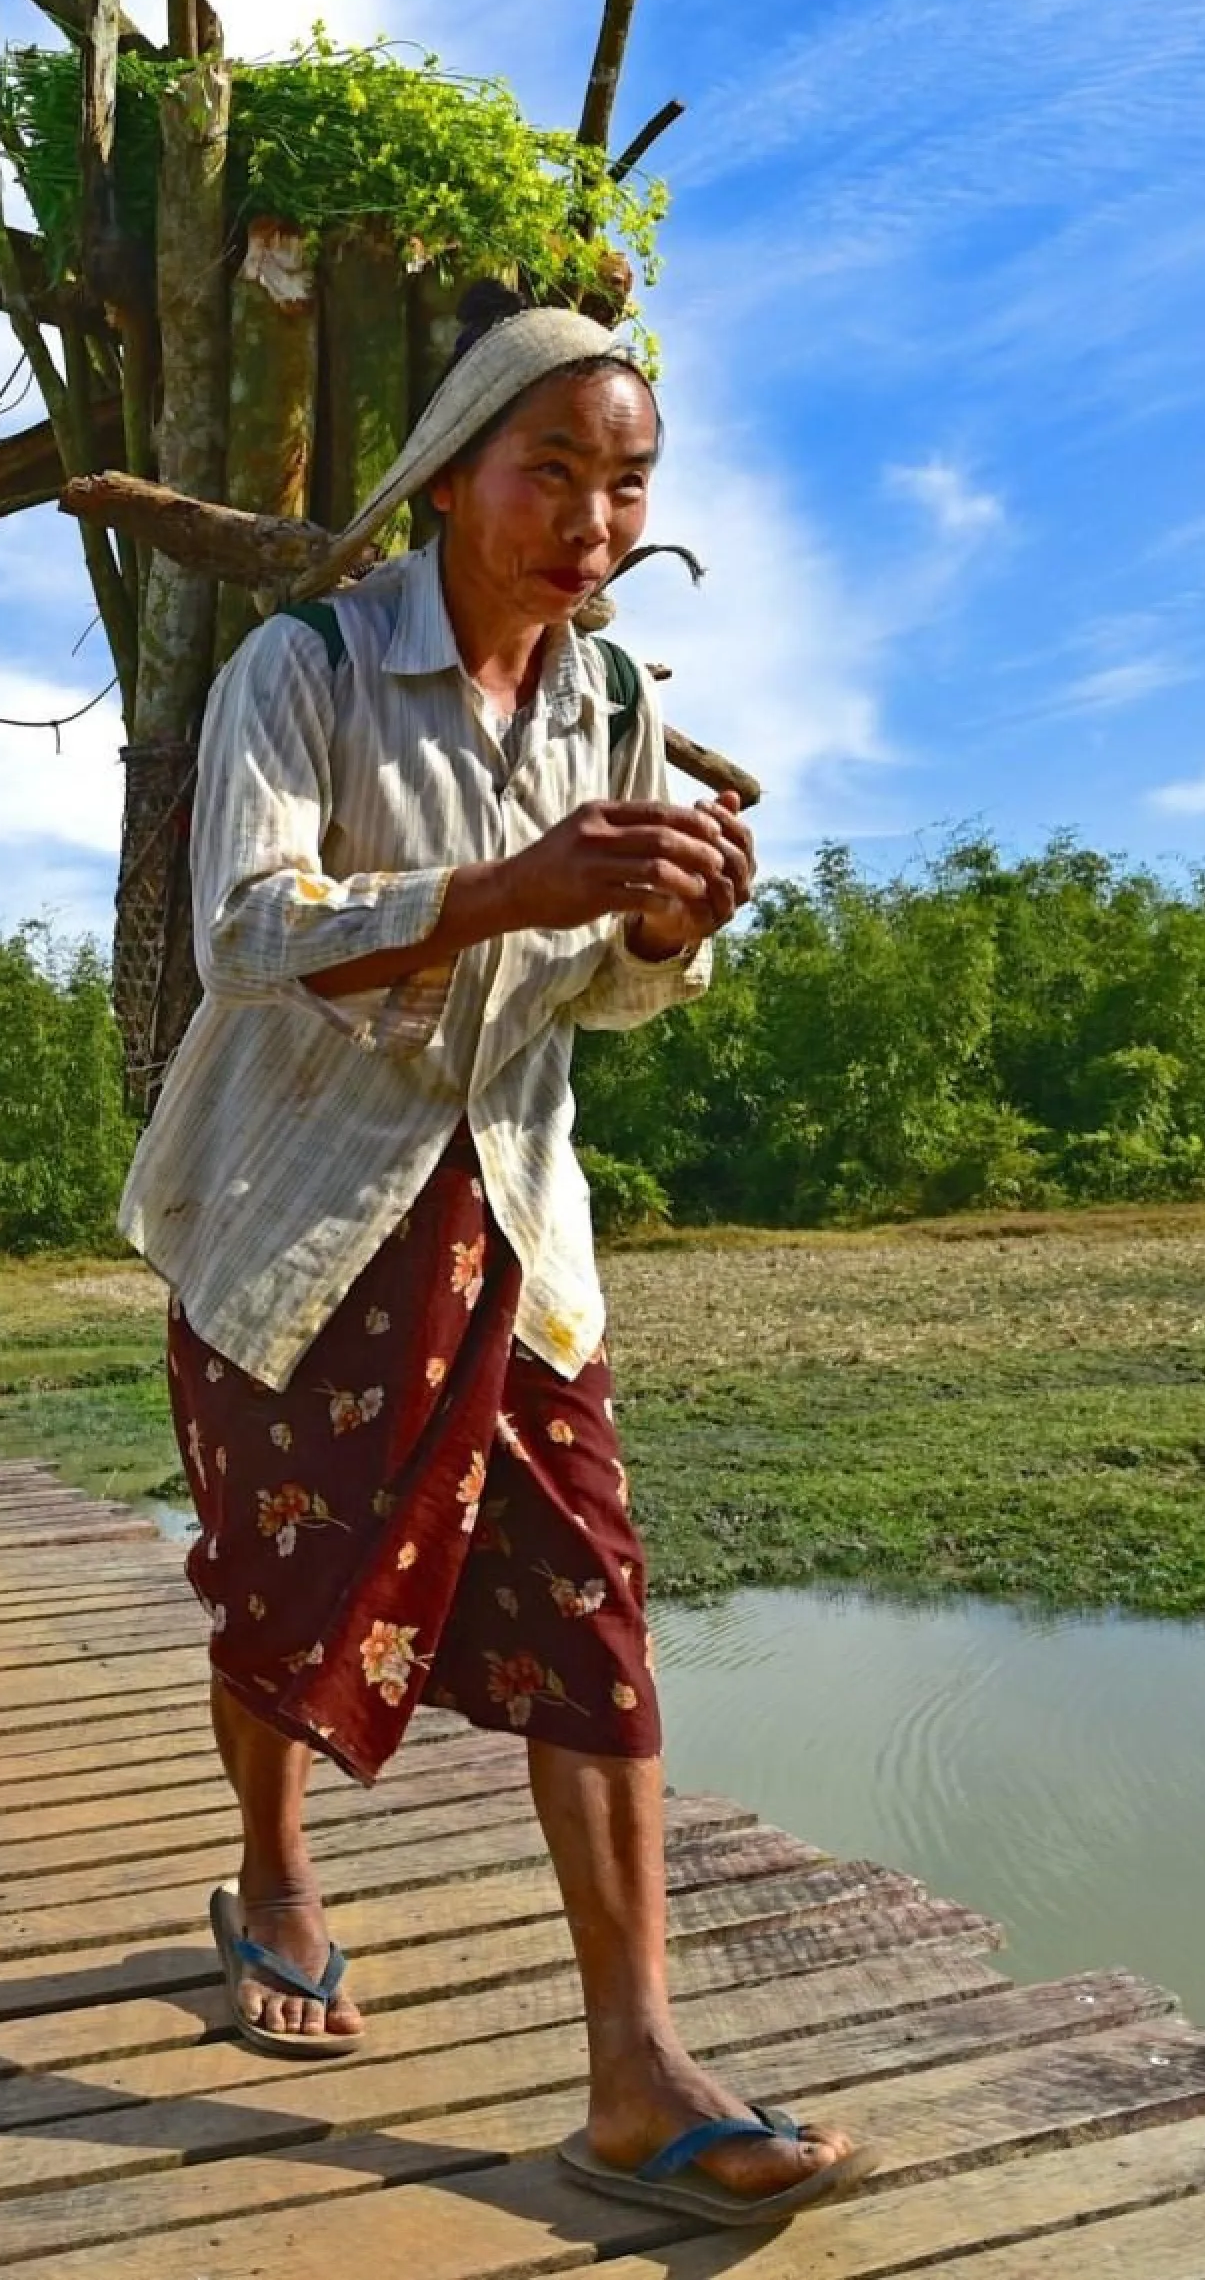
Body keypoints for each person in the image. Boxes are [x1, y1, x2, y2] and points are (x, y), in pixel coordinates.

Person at [119, 293, 873, 2225]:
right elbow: (253, 932)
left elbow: (600, 1010)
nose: (594, 521)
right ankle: (276, 1873)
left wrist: (671, 927)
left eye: (630, 485)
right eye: (556, 473)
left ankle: (638, 2068)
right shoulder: (303, 669)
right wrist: (505, 890)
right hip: (293, 1215)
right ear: (453, 474)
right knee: (282, 1590)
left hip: (516, 1232)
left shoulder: (612, 705)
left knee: (595, 1621)